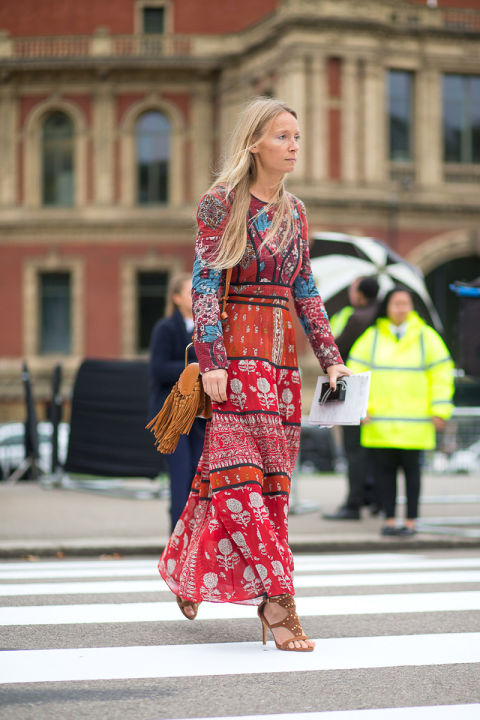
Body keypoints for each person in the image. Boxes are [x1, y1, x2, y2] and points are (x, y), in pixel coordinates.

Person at [158, 96, 351, 651]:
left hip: (282, 368)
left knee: (263, 491)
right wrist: (212, 362)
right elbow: (204, 287)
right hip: (234, 367)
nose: (294, 145)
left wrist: (332, 356)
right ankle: (279, 603)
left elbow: (306, 291)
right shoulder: (220, 204)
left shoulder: (297, 212)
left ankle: (183, 564)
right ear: (254, 143)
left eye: (297, 135)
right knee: (237, 487)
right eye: (283, 136)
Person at [347, 287, 454, 536]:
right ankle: (390, 519)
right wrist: (359, 409)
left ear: (412, 307)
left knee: (412, 474)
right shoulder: (371, 337)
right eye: (396, 303)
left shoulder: (427, 337)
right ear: (386, 307)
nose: (401, 308)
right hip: (379, 423)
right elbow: (354, 374)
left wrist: (440, 409)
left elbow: (442, 374)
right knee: (384, 475)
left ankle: (411, 520)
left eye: (405, 303)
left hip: (416, 423)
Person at [149, 274, 206, 533]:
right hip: (173, 414)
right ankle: (178, 535)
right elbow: (158, 369)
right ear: (176, 298)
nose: (196, 295)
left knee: (198, 471)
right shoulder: (166, 328)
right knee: (181, 474)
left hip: (200, 412)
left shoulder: (206, 328)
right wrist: (196, 368)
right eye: (189, 291)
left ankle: (197, 534)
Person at [323, 276, 380, 520]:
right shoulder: (380, 318)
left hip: (354, 388)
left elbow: (336, 350)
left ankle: (353, 503)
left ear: (360, 294)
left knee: (353, 449)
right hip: (380, 391)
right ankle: (375, 499)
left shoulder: (357, 318)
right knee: (376, 450)